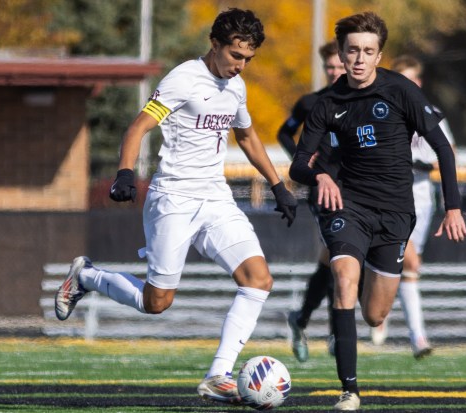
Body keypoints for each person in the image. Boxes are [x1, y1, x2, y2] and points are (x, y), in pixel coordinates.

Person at [54, 8, 297, 406]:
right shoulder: (183, 79)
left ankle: (218, 374)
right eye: (236, 55)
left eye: (248, 59)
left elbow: (249, 137)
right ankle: (87, 277)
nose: (240, 65)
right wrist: (125, 173)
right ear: (215, 44)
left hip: (216, 198)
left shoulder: (236, 87)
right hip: (174, 198)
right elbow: (138, 126)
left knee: (258, 280)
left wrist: (278, 184)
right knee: (157, 303)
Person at [289, 12, 466, 411]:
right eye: (352, 50)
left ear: (378, 54)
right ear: (341, 52)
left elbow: (442, 148)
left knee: (373, 315)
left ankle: (369, 282)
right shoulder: (328, 102)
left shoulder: (400, 90)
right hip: (348, 205)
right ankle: (349, 391)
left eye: (368, 51)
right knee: (342, 277)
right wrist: (321, 177)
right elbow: (298, 164)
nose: (359, 59)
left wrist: (453, 208)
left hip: (395, 215)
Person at [370, 55, 456, 360]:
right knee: (409, 262)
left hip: (421, 194)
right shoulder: (383, 110)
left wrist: (451, 205)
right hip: (389, 195)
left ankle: (410, 332)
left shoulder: (431, 114)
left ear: (418, 82)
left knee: (407, 268)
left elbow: (447, 153)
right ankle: (412, 332)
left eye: (410, 79)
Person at [278, 40, 346, 363]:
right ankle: (337, 333)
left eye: (339, 66)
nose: (334, 72)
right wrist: (304, 162)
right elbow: (283, 133)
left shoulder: (363, 100)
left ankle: (301, 319)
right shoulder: (311, 103)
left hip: (356, 190)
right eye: (329, 67)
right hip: (322, 191)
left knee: (334, 262)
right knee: (338, 257)